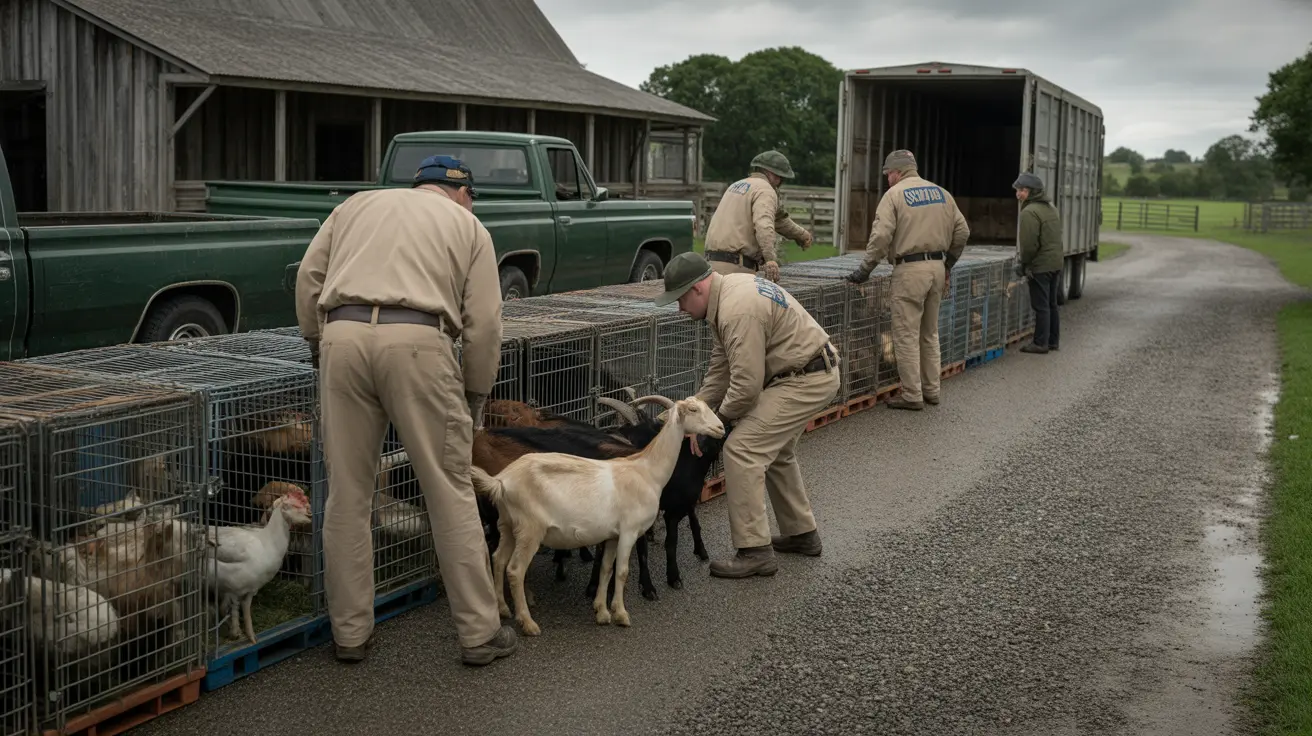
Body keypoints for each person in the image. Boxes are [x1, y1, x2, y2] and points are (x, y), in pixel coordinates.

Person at [295, 155, 518, 666]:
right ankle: (479, 634)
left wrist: (318, 344)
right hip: (419, 340)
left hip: (341, 337)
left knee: (348, 495)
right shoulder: (468, 224)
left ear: (419, 186)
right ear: (462, 192)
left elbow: (309, 280)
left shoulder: (355, 206)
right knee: (449, 489)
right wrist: (476, 395)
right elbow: (484, 322)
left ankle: (350, 635)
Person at [655, 251, 839, 578]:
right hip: (803, 373)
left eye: (680, 299)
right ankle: (802, 534)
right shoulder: (728, 295)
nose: (680, 309)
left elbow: (745, 387)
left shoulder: (737, 310)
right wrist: (690, 411)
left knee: (742, 449)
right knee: (775, 451)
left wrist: (716, 426)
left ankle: (755, 551)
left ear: (697, 288)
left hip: (806, 378)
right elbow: (721, 370)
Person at [845, 149, 970, 410]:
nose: (887, 178)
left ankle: (912, 395)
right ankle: (932, 390)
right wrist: (947, 264)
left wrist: (865, 270)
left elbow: (880, 238)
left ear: (898, 171)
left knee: (905, 334)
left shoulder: (894, 196)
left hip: (910, 270)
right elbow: (962, 231)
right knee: (929, 333)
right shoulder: (941, 193)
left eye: (888, 173)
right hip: (937, 268)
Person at [703, 150, 815, 283]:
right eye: (780, 177)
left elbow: (779, 220)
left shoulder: (737, 185)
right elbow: (764, 224)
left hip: (711, 265)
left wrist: (802, 235)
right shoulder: (765, 190)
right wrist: (771, 259)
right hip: (736, 268)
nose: (780, 181)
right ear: (771, 173)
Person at [1012, 172, 1063, 354]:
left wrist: (1024, 265)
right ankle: (1052, 341)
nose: (1019, 194)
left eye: (1023, 190)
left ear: (1032, 192)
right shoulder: (1051, 207)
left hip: (1041, 265)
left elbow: (1029, 245)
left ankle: (1040, 343)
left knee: (1041, 306)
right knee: (1051, 304)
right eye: (1018, 190)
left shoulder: (1029, 212)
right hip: (1056, 263)